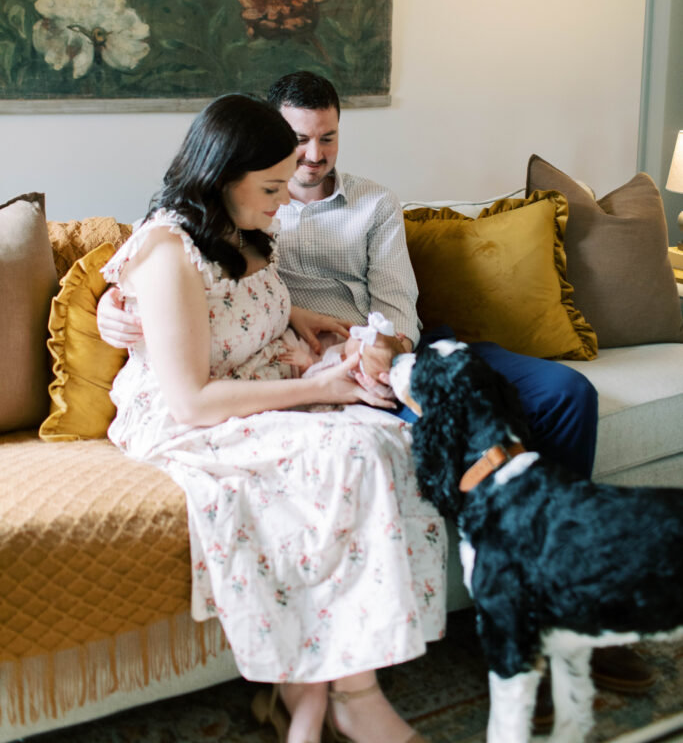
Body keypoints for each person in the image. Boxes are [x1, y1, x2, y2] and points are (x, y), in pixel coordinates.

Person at [98, 72, 654, 702]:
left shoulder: (369, 204)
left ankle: (559, 587)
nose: (313, 156)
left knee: (566, 395)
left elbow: (397, 311)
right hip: (313, 366)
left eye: (327, 138)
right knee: (439, 437)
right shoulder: (234, 216)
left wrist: (378, 345)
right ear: (253, 157)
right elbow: (172, 290)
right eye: (299, 143)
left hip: (389, 343)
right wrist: (111, 312)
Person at [101, 93, 444, 743]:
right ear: (222, 175)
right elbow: (192, 400)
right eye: (272, 186)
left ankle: (312, 691)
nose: (285, 199)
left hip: (252, 385)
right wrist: (323, 393)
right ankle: (348, 695)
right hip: (186, 416)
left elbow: (239, 303)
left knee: (389, 436)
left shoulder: (250, 228)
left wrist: (296, 317)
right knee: (349, 451)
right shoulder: (166, 249)